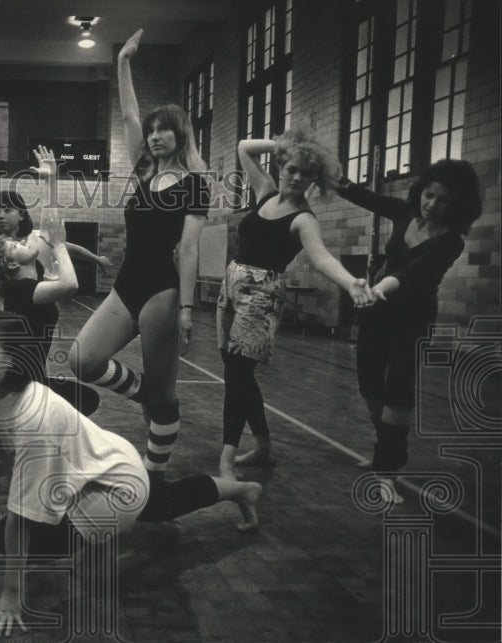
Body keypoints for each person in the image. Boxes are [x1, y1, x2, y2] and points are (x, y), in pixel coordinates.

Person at [0, 312, 263, 636]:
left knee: (6, 534)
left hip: (116, 488)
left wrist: (11, 597)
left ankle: (99, 542)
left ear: (14, 359)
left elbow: (21, 517)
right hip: (107, 463)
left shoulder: (32, 417)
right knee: (161, 504)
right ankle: (243, 491)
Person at [68, 29, 211, 479]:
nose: (152, 137)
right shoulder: (144, 172)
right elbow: (129, 113)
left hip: (163, 294)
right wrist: (123, 61)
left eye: (162, 130)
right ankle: (144, 393)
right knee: (82, 359)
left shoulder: (194, 184)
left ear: (179, 133)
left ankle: (154, 474)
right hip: (127, 283)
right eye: (150, 132)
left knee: (167, 397)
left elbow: (188, 248)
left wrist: (187, 308)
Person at [216, 128, 375, 480]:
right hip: (232, 286)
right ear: (282, 165)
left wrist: (351, 282)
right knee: (237, 373)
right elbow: (243, 146)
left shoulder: (303, 219)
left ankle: (226, 458)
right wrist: (292, 145)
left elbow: (321, 258)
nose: (297, 177)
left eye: (307, 174)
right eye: (292, 169)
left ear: (314, 181)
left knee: (237, 376)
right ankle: (263, 447)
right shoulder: (265, 192)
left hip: (261, 297)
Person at [335, 159, 481, 497]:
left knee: (398, 388)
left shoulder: (451, 241)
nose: (432, 205)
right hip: (377, 312)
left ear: (457, 205)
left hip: (411, 318)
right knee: (370, 385)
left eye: (443, 200)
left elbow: (412, 273)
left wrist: (378, 289)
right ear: (421, 192)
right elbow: (363, 197)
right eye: (429, 195)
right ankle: (388, 449)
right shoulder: (405, 212)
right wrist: (332, 177)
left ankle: (387, 469)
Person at [0, 146, 100, 416]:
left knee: (79, 401)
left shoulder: (31, 274)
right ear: (12, 263)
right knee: (84, 401)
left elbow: (51, 224)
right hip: (17, 380)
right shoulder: (19, 290)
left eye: (7, 210)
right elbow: (70, 285)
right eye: (11, 246)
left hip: (28, 375)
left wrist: (50, 181)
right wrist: (58, 245)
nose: (12, 242)